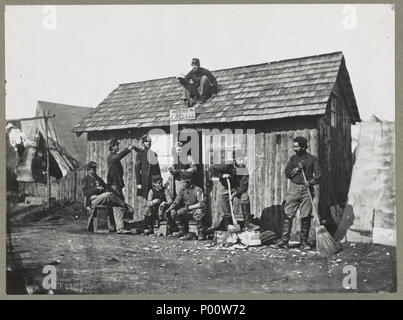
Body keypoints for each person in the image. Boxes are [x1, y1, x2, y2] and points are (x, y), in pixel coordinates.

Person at [271, 136, 321, 250]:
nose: (294, 149)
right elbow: (287, 174)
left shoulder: (312, 159)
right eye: (294, 146)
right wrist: (297, 169)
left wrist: (311, 182)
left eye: (297, 146)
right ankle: (284, 241)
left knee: (306, 215)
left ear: (303, 147)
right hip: (294, 189)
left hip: (307, 190)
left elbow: (318, 176)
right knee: (288, 214)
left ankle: (304, 242)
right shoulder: (293, 159)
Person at [208, 154, 257, 231]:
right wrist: (221, 175)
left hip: (235, 187)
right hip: (224, 186)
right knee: (224, 205)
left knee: (245, 196)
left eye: (243, 160)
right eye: (240, 160)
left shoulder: (244, 170)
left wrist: (234, 194)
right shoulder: (228, 165)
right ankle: (229, 224)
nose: (242, 162)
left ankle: (247, 223)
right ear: (235, 160)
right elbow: (211, 169)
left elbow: (243, 187)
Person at [83, 161, 134, 234]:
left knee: (117, 204)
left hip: (102, 197)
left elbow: (106, 188)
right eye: (92, 169)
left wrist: (103, 189)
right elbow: (85, 193)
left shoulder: (98, 179)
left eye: (95, 168)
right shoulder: (86, 179)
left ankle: (120, 228)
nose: (94, 170)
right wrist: (95, 189)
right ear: (88, 170)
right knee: (109, 195)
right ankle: (125, 205)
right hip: (93, 200)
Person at [172, 171, 207, 241]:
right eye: (181, 182)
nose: (182, 184)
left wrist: (190, 207)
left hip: (195, 209)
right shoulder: (182, 189)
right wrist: (174, 205)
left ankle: (201, 233)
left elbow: (202, 203)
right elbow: (178, 199)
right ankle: (183, 231)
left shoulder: (197, 189)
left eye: (183, 182)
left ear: (189, 181)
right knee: (174, 212)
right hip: (186, 209)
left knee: (199, 212)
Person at [135, 134, 162, 220]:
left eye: (149, 141)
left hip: (153, 182)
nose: (148, 143)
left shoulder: (153, 154)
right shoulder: (140, 154)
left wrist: (159, 181)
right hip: (144, 181)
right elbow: (137, 170)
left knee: (154, 200)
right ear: (143, 143)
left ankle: (153, 221)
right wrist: (138, 183)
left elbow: (157, 169)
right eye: (146, 141)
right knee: (145, 201)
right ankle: (145, 221)